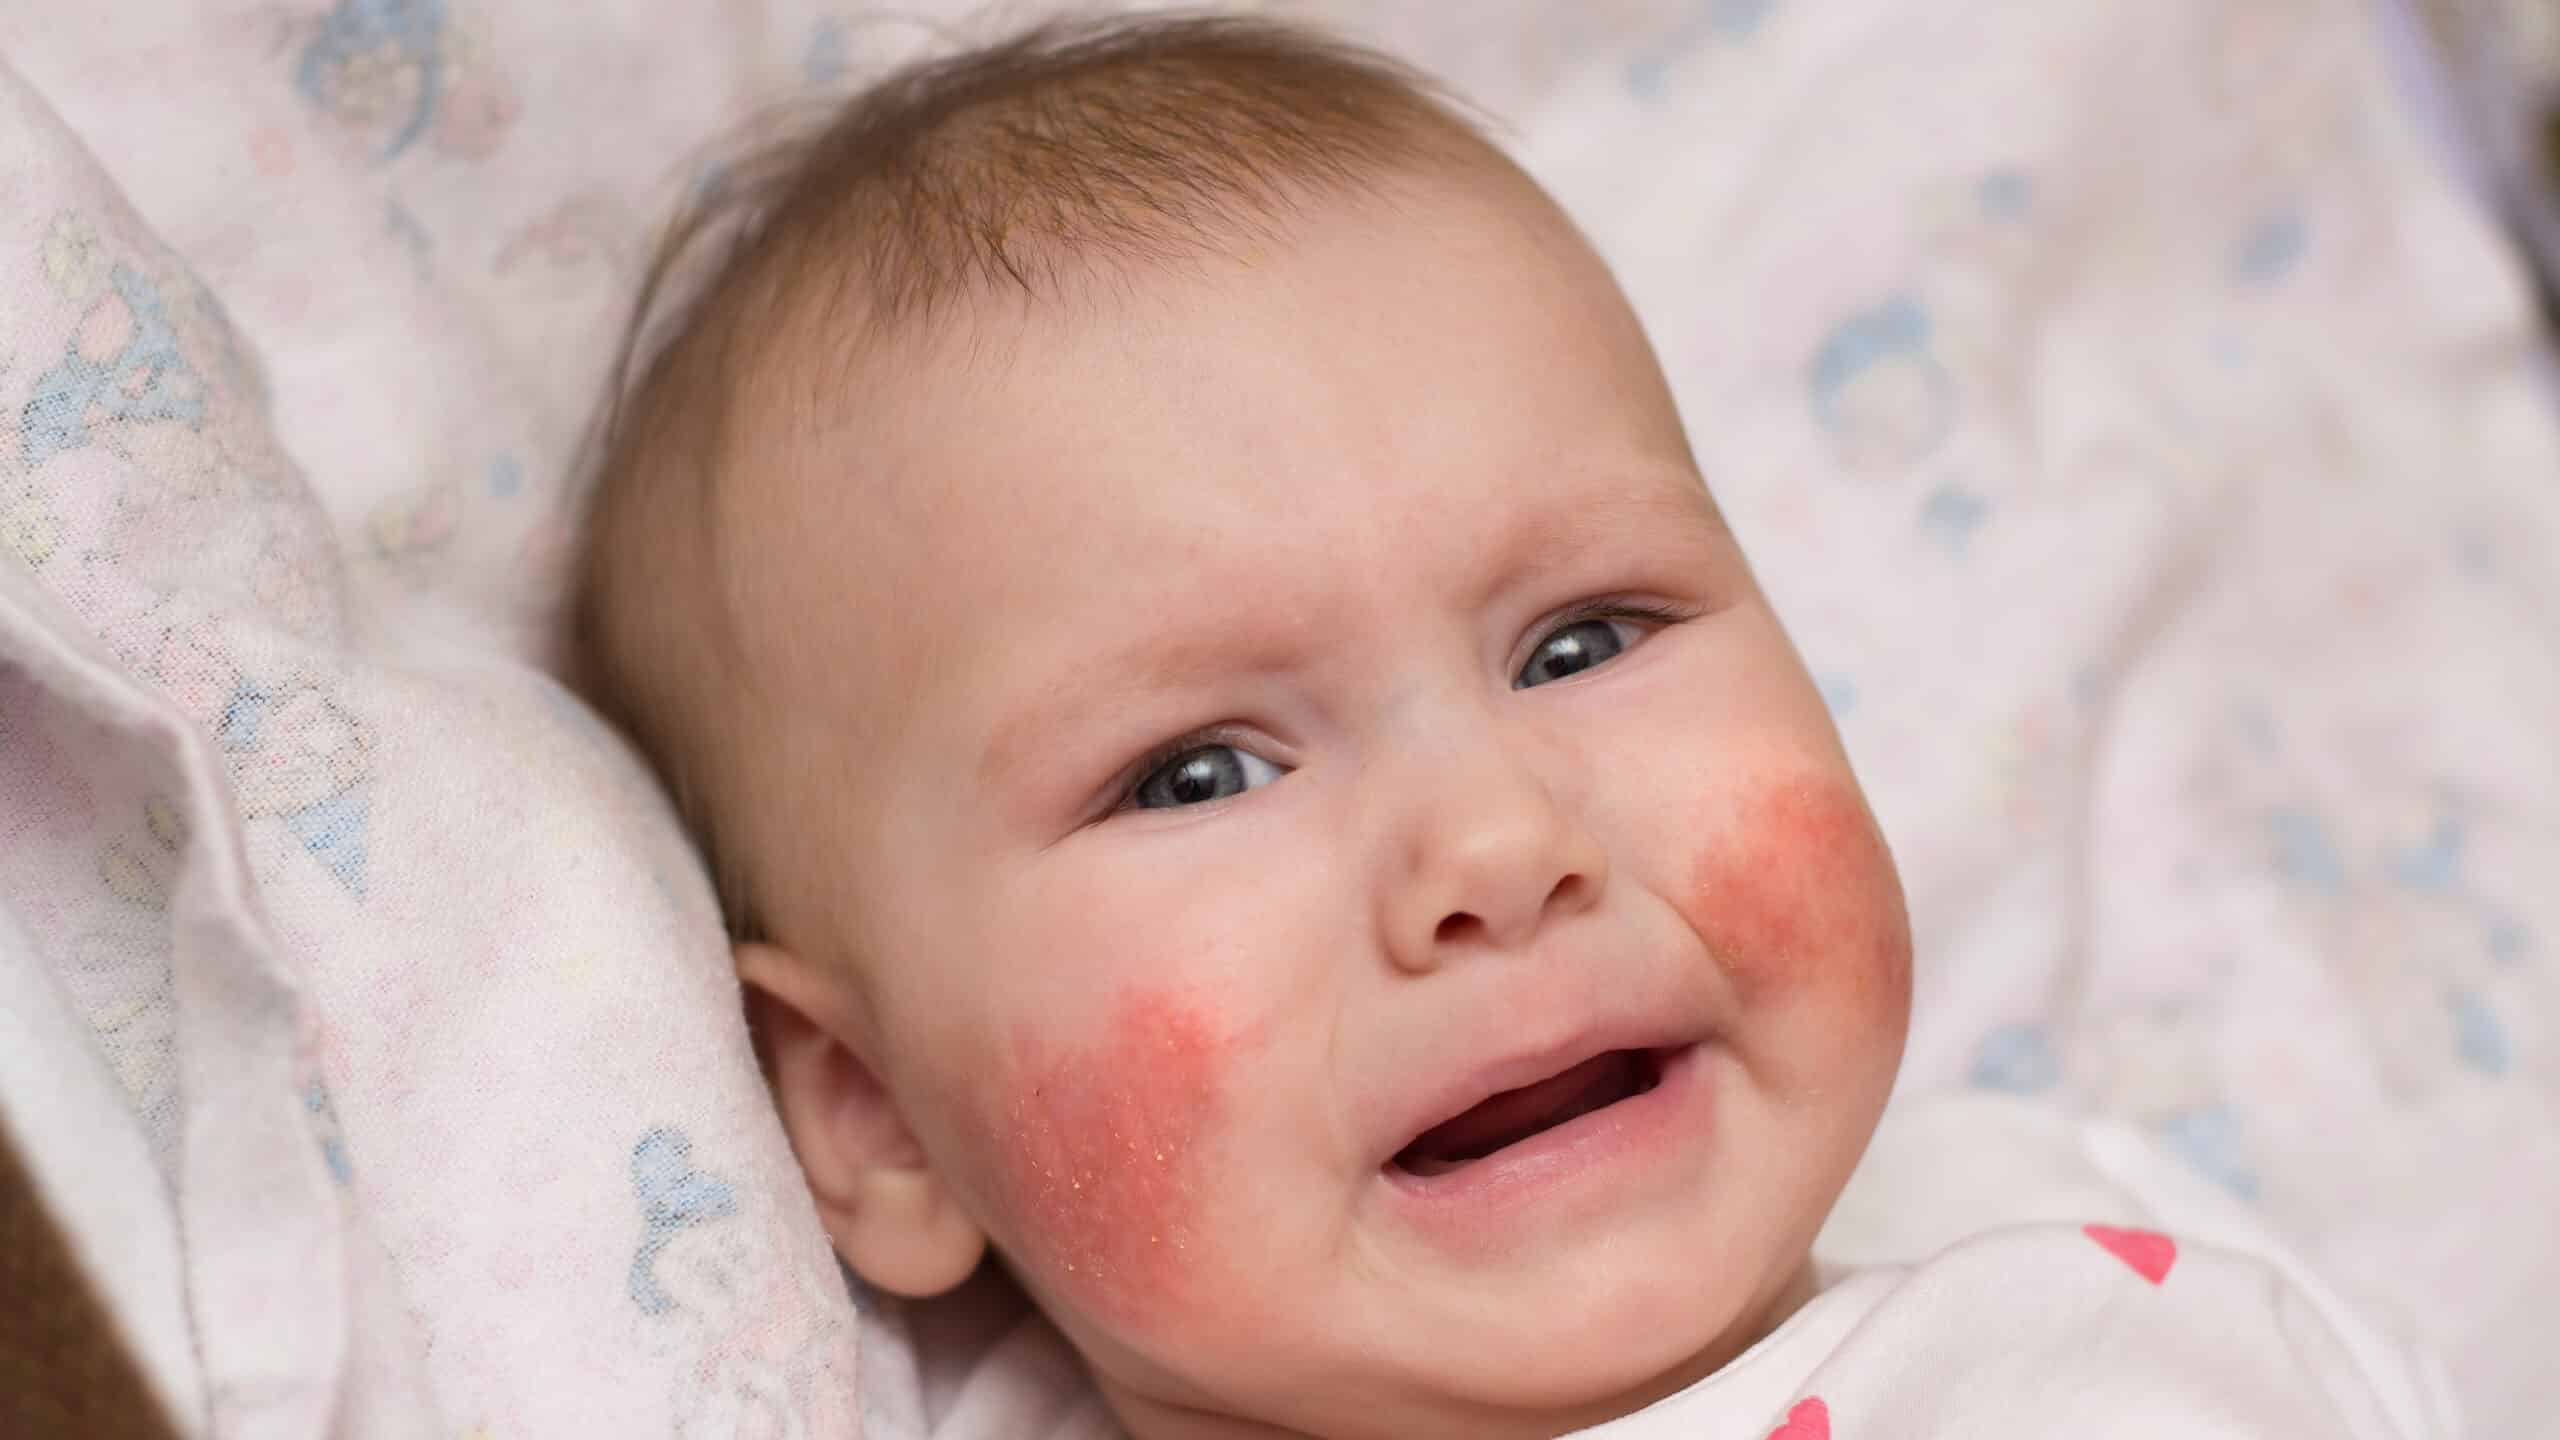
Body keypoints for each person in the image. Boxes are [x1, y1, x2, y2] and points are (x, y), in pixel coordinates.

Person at [570, 14, 2447, 1437]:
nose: (1496, 844)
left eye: (1582, 641)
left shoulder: (2085, 1294)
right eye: (1199, 771)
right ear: (875, 1115)